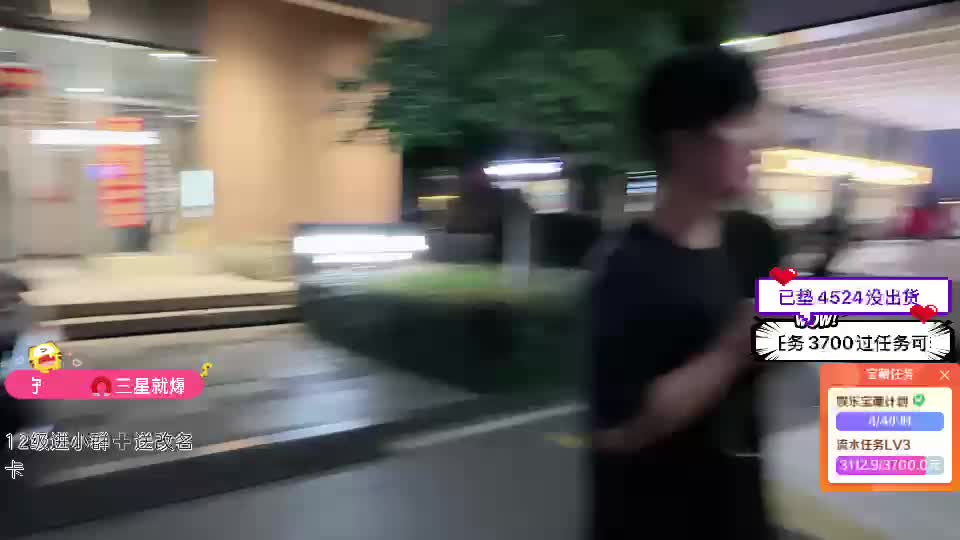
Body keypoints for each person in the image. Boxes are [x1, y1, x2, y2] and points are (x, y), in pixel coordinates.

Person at [588, 46, 772, 539]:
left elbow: (777, 338)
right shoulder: (624, 268)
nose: (756, 146)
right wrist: (730, 352)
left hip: (739, 511)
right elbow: (616, 428)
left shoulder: (751, 241)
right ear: (684, 143)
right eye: (740, 127)